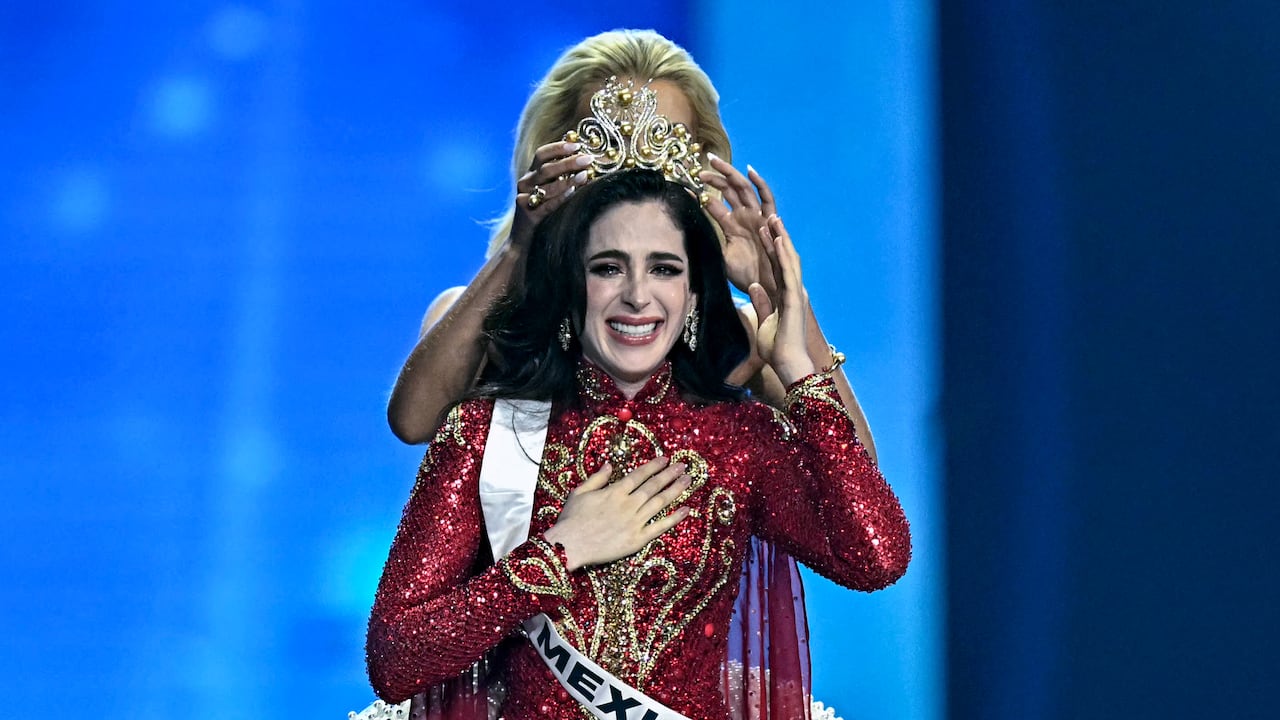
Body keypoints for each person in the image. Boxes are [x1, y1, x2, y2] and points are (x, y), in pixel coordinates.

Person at [366, 169, 911, 720]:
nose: (636, 295)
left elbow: (877, 557)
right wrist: (560, 551)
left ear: (693, 296)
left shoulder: (742, 438)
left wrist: (797, 370)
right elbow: (395, 659)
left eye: (664, 269)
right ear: (571, 288)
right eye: (608, 268)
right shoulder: (487, 430)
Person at [385, 29, 878, 464]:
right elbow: (414, 421)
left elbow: (857, 484)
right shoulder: (488, 321)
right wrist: (519, 250)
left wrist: (780, 292)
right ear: (553, 162)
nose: (633, 190)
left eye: (659, 154)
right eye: (610, 153)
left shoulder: (740, 335)